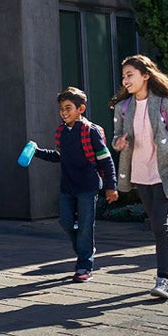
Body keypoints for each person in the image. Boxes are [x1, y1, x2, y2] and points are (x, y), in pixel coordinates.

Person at [110, 55, 168, 299]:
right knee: (159, 223)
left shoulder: (164, 103)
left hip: (165, 172)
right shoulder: (123, 108)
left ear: (145, 76)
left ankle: (163, 278)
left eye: (130, 74)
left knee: (160, 224)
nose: (125, 79)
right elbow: (116, 137)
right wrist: (119, 142)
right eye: (123, 76)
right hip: (141, 174)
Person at [32, 87, 118, 283]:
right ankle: (85, 248)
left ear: (81, 109)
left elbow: (106, 160)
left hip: (88, 186)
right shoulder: (61, 132)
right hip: (68, 186)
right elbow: (58, 156)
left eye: (68, 108)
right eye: (61, 108)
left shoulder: (91, 131)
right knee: (65, 222)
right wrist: (37, 151)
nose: (63, 112)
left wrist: (111, 186)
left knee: (86, 227)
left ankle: (84, 266)